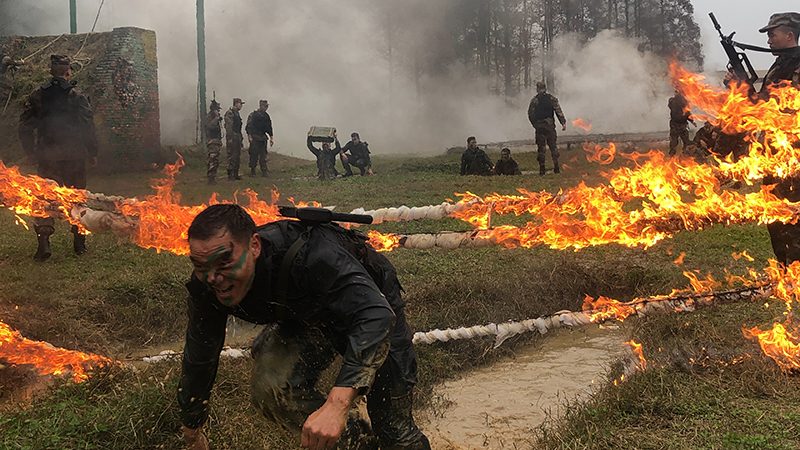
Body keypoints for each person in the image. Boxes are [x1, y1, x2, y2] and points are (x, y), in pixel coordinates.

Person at [179, 204, 431, 450]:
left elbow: (376, 316)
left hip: (371, 307)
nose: (214, 279)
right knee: (271, 389)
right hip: (304, 315)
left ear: (254, 246)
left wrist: (336, 406)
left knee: (394, 430)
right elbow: (201, 351)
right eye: (201, 267)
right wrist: (192, 424)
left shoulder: (315, 256)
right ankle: (359, 442)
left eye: (224, 263)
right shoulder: (207, 285)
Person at [18, 54, 98, 262]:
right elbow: (88, 126)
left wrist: (30, 152)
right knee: (77, 198)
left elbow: (25, 126)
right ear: (69, 72)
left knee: (45, 199)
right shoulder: (77, 95)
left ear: (50, 71)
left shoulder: (37, 94)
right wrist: (93, 151)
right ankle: (79, 244)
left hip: (48, 155)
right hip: (74, 155)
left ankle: (43, 242)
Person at [754, 12, 800, 266]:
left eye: (773, 33)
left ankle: (796, 273)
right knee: (774, 218)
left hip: (793, 157)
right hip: (773, 156)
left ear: (789, 35)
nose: (769, 39)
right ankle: (785, 272)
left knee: (792, 219)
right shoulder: (780, 64)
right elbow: (762, 106)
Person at [528, 81, 567, 175]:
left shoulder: (535, 100)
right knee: (553, 147)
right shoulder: (552, 99)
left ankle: (542, 169)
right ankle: (556, 167)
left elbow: (530, 114)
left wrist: (535, 124)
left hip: (540, 127)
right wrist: (563, 123)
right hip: (550, 126)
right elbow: (558, 111)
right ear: (545, 88)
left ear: (537, 89)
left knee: (541, 149)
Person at [246, 99, 274, 177]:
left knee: (263, 155)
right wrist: (250, 136)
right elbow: (249, 127)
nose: (266, 108)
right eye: (265, 106)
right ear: (261, 106)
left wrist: (271, 137)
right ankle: (252, 171)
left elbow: (269, 127)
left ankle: (264, 171)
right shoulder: (253, 115)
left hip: (263, 137)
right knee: (253, 154)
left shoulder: (266, 116)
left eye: (267, 106)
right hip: (255, 137)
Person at [667, 90, 695, 156]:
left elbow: (688, 112)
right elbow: (671, 105)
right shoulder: (673, 101)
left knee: (686, 141)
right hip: (675, 124)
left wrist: (691, 121)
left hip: (682, 125)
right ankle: (672, 156)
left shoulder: (684, 102)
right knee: (674, 142)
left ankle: (685, 155)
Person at [223, 98, 245, 181]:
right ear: (235, 104)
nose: (241, 105)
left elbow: (238, 127)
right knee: (231, 155)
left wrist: (241, 138)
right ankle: (230, 173)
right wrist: (230, 137)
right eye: (240, 104)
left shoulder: (237, 113)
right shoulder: (230, 113)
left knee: (237, 156)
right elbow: (229, 126)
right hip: (233, 136)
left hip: (237, 136)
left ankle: (235, 173)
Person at [203, 99, 223, 185]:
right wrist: (216, 119)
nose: (218, 111)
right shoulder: (209, 117)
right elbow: (210, 126)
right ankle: (211, 177)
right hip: (212, 141)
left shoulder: (214, 118)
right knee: (213, 159)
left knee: (216, 160)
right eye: (217, 110)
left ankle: (213, 177)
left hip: (216, 140)